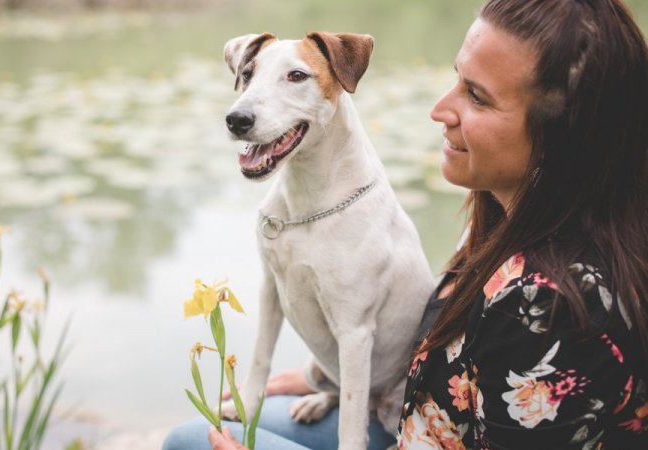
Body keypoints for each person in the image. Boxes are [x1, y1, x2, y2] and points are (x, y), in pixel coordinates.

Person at [162, 0, 648, 448]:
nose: (439, 109)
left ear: (562, 134)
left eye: (476, 97)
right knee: (200, 431)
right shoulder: (509, 218)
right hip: (406, 410)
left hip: (412, 435)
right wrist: (324, 377)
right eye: (457, 78)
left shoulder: (552, 306)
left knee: (191, 442)